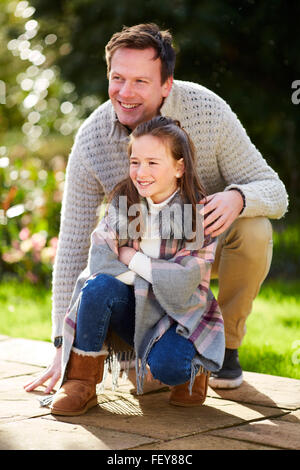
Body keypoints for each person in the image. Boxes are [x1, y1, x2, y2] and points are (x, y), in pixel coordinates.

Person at [24, 23, 288, 397]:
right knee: (154, 382)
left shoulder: (208, 111)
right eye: (117, 78)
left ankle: (224, 347)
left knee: (254, 228)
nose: (125, 93)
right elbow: (73, 244)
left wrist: (238, 198)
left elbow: (273, 189)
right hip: (141, 269)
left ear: (167, 84)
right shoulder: (92, 138)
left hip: (199, 253)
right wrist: (59, 345)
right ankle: (136, 353)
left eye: (140, 82)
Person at [45, 116, 225, 416]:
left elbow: (183, 284)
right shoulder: (123, 203)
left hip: (176, 317)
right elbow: (100, 260)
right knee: (98, 286)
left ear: (179, 168)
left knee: (171, 368)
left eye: (153, 163)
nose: (141, 173)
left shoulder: (197, 214)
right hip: (133, 310)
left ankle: (194, 369)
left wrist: (131, 258)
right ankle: (81, 381)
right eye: (135, 162)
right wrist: (154, 275)